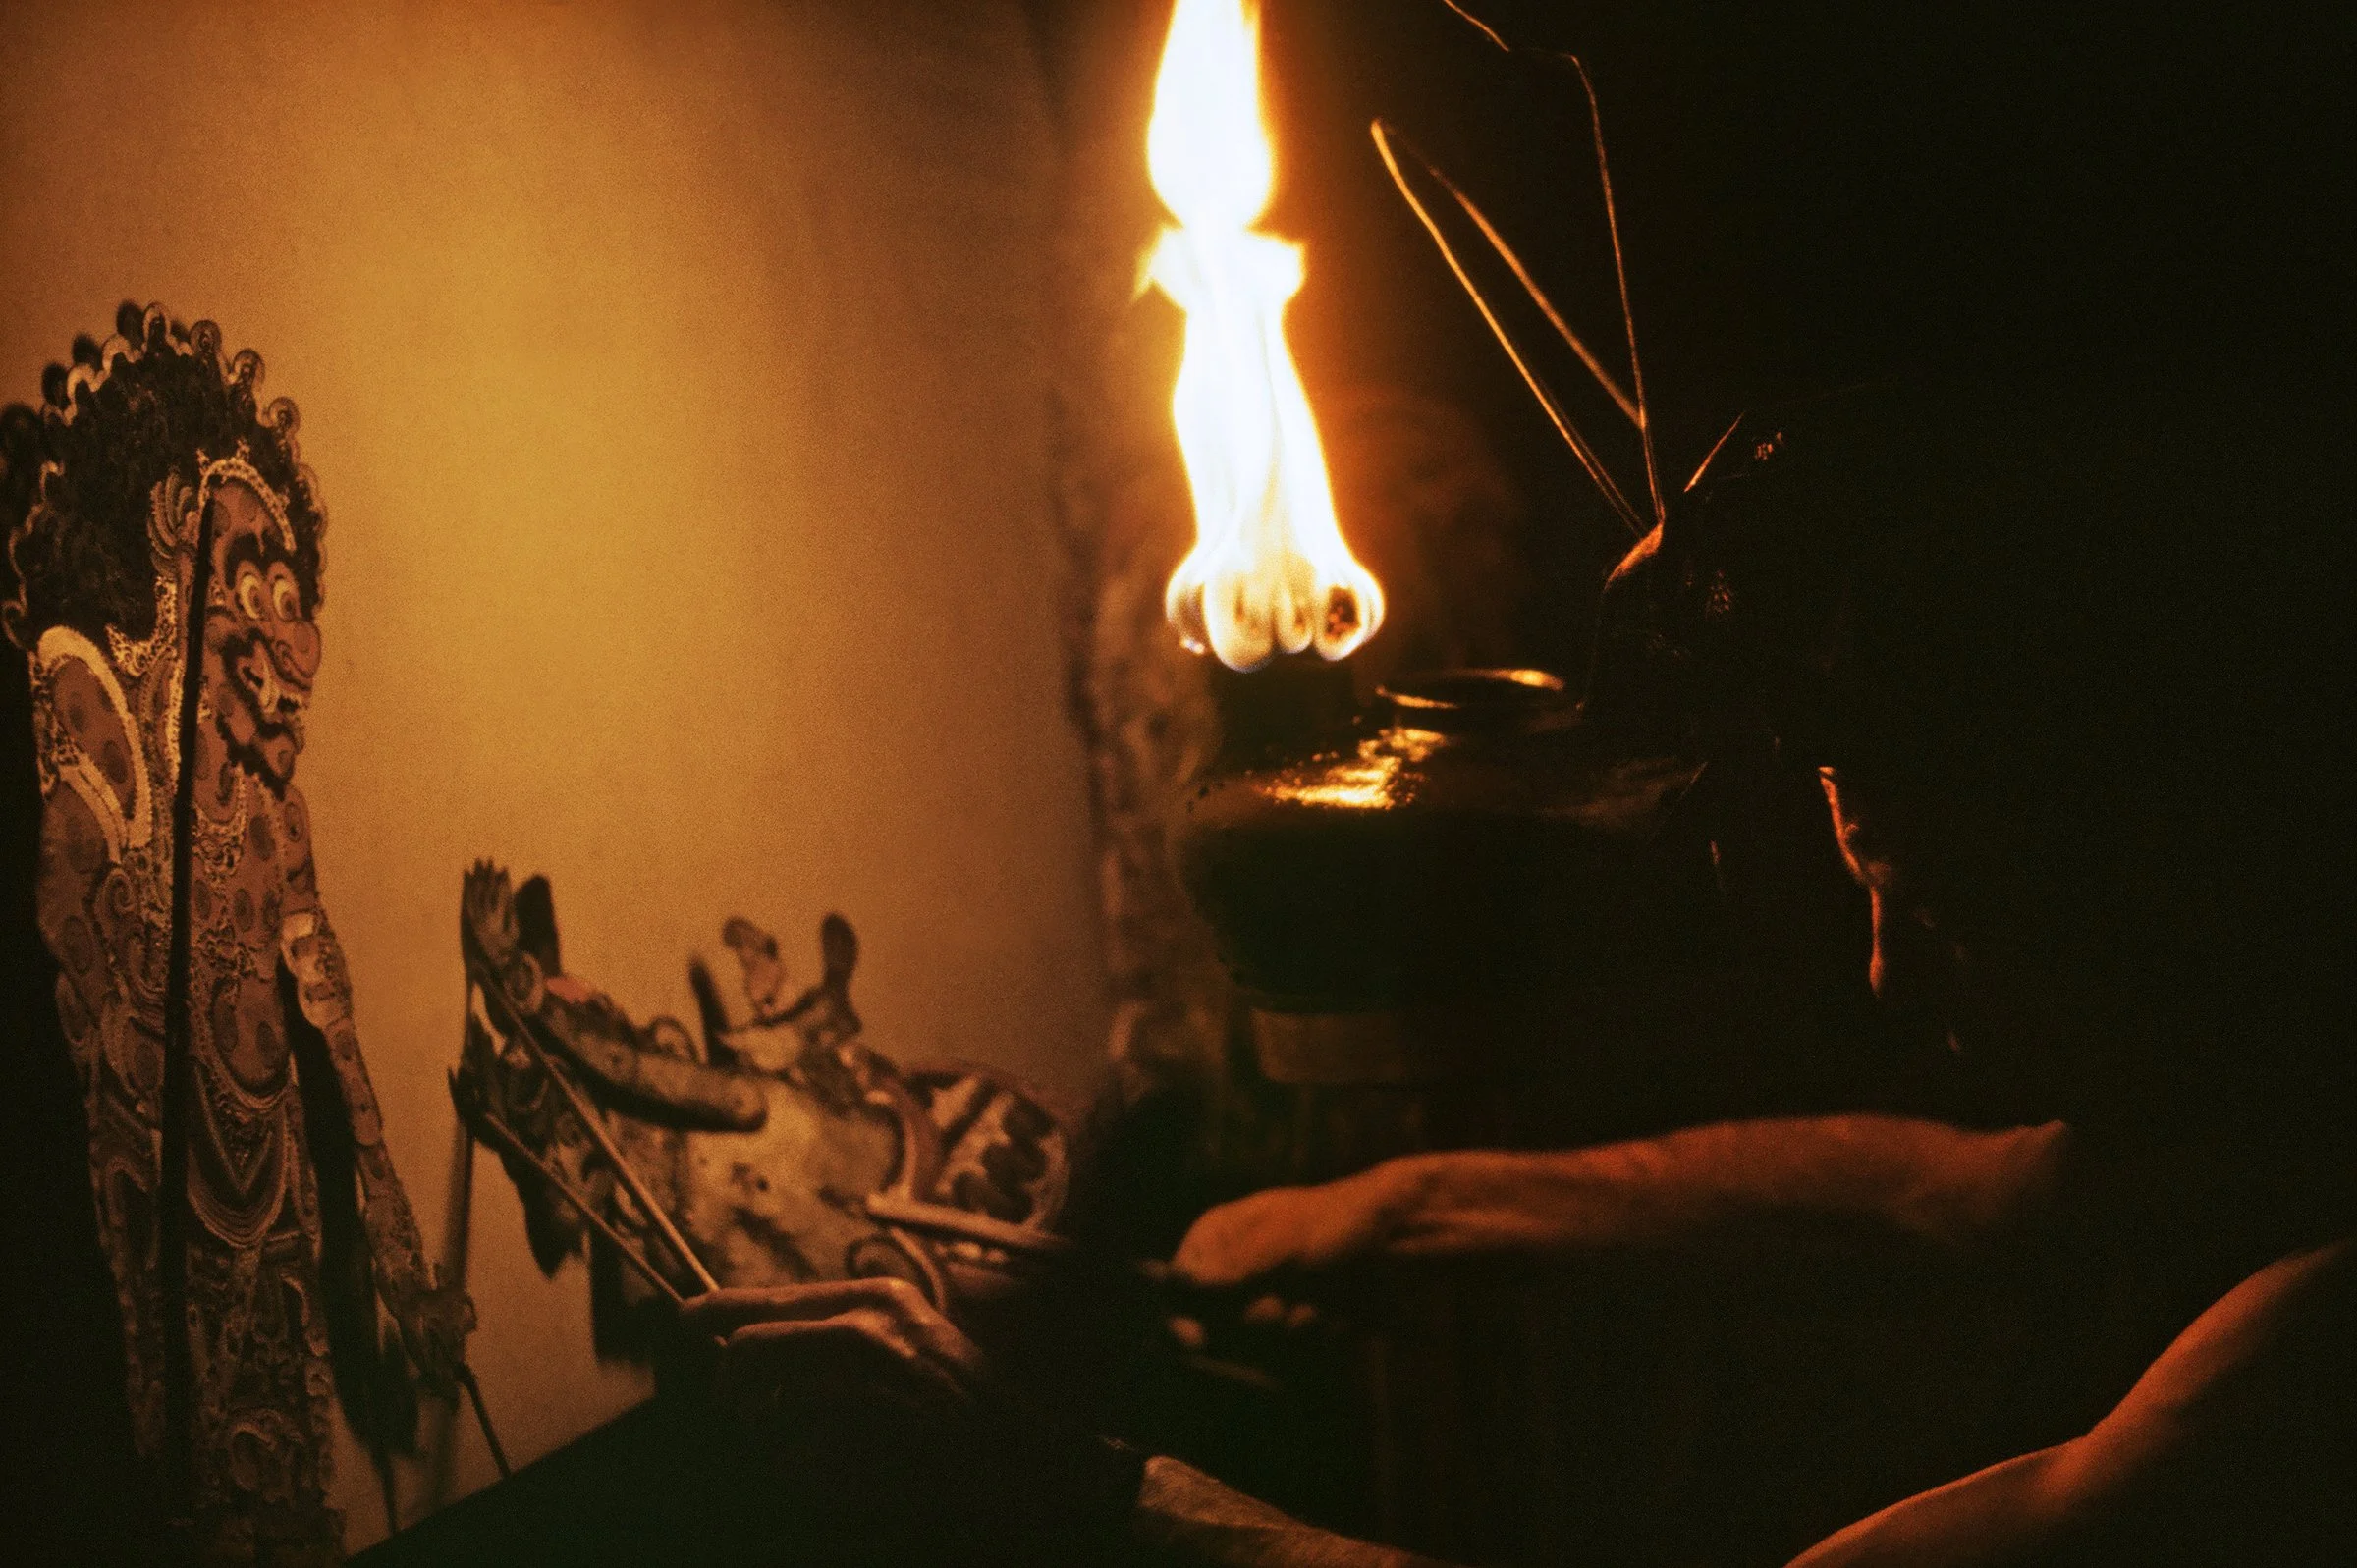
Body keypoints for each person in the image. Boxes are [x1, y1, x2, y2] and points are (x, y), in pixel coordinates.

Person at [679, 383, 2351, 1566]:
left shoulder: (2302, 1357)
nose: (1890, 977)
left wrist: (1098, 1499)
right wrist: (1406, 1210)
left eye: (1952, 908)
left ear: (2173, 856)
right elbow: (1961, 1195)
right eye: (1866, 887)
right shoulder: (2234, 1100)